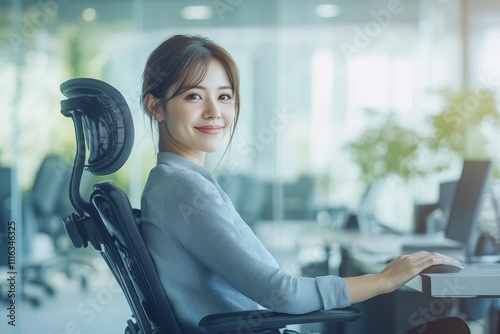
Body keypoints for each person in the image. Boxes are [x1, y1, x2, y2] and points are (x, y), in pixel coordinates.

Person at [139, 34, 470, 333]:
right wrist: (383, 280)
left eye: (224, 96)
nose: (215, 112)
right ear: (156, 107)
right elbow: (280, 293)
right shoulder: (183, 188)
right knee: (451, 329)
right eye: (194, 96)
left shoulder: (171, 182)